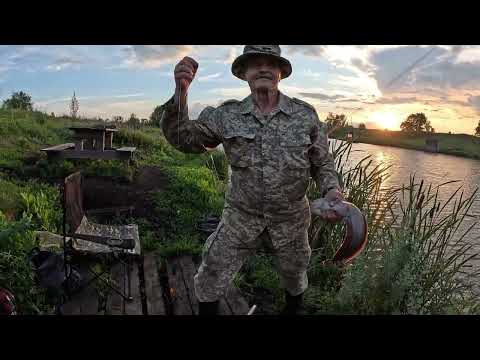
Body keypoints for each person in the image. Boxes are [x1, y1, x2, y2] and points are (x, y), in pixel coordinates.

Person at [161, 45, 344, 315]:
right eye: (255, 63)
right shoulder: (226, 115)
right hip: (240, 217)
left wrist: (331, 190)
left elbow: (322, 162)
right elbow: (183, 139)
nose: (263, 68)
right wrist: (181, 92)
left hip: (291, 219)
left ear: (281, 72)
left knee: (295, 277)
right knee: (211, 274)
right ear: (244, 72)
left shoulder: (305, 115)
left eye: (271, 63)